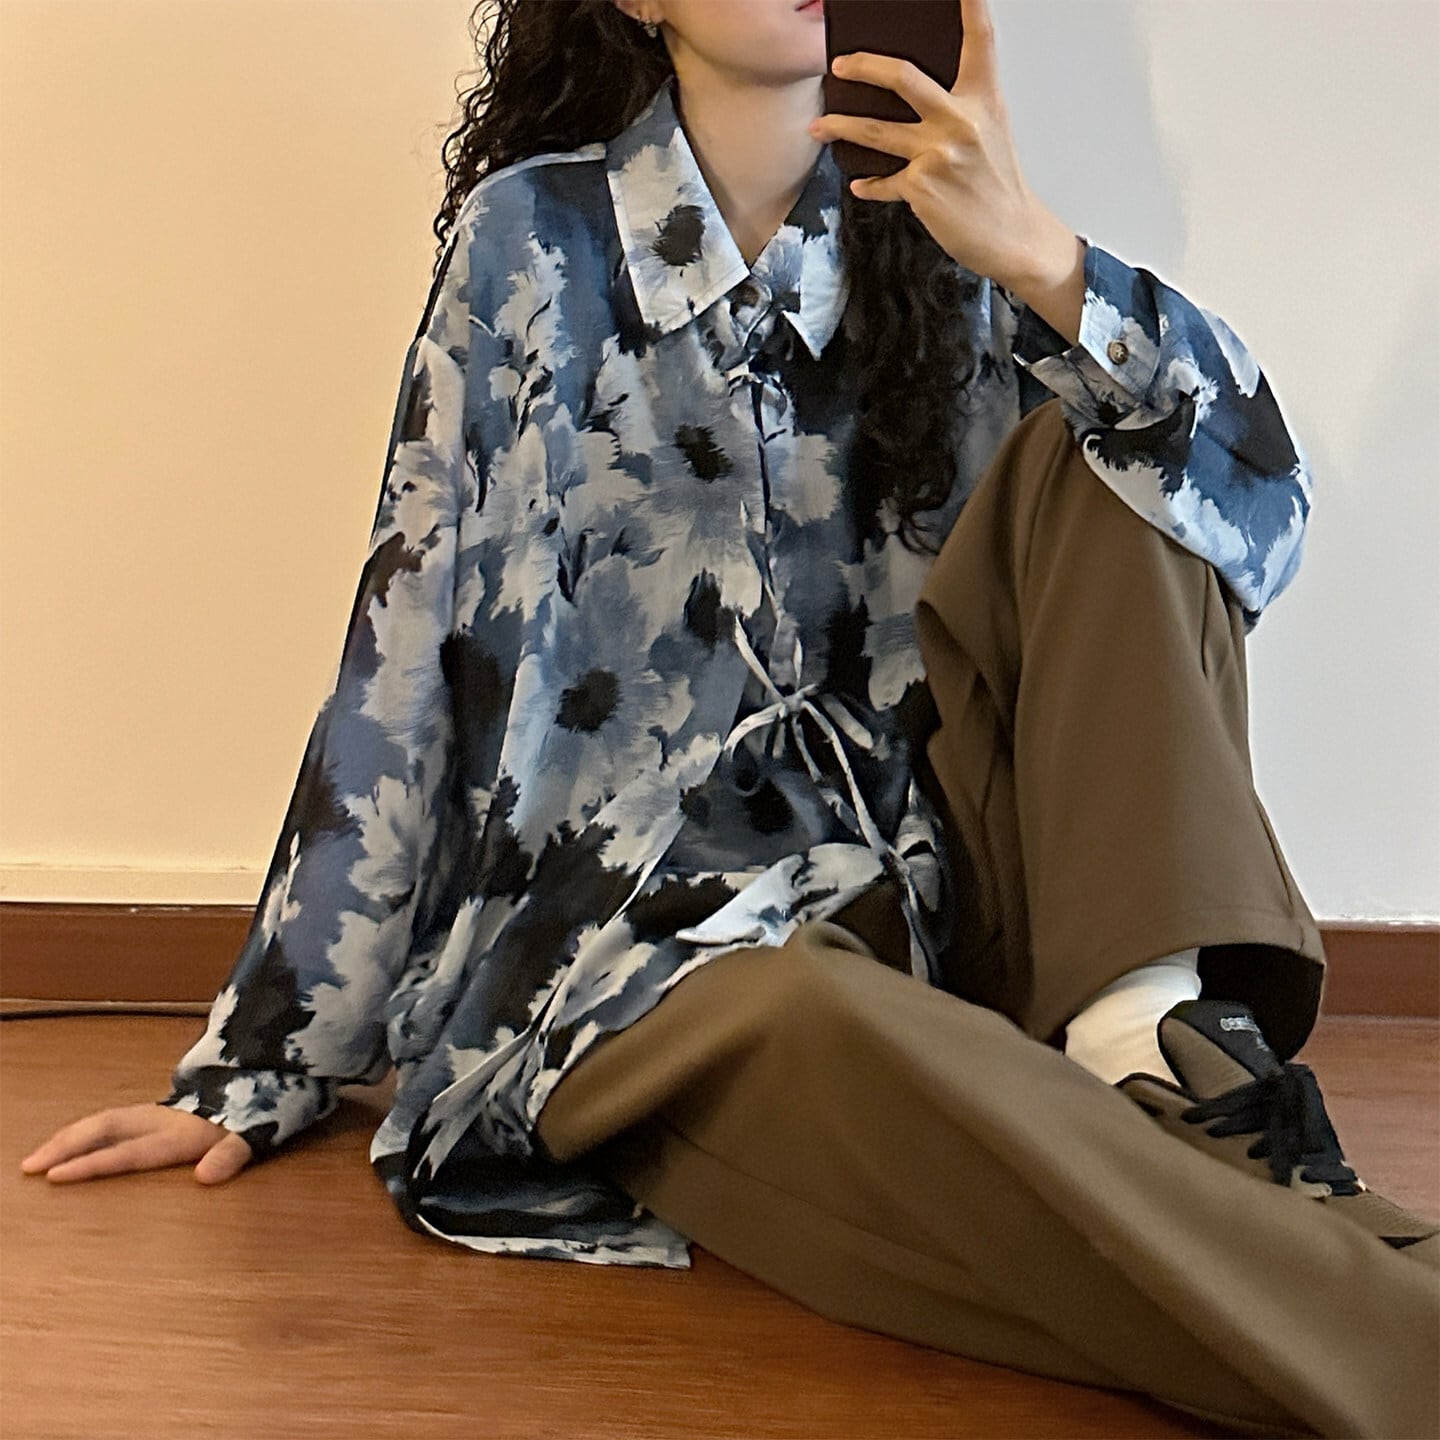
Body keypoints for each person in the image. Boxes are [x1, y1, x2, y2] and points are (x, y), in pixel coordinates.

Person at [21, 0, 1439, 1434]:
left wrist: (1045, 264)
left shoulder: (949, 226)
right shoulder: (536, 242)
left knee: (1116, 455)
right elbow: (410, 629)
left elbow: (1258, 520)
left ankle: (1144, 1031)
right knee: (814, 1018)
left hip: (956, 913)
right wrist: (271, 1058)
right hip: (657, 961)